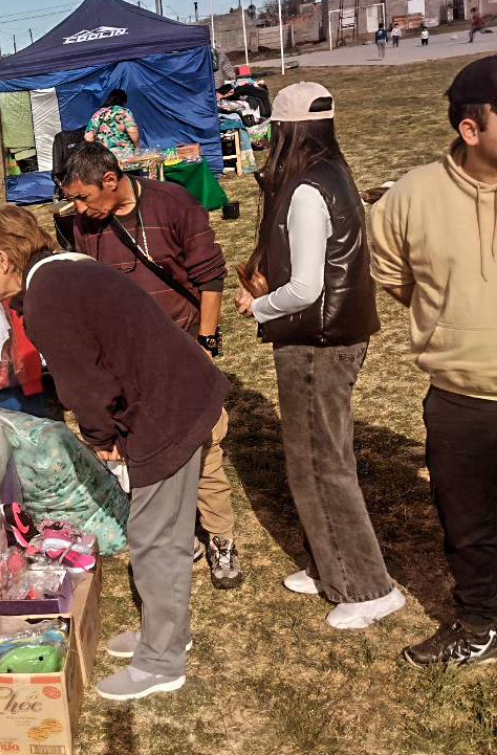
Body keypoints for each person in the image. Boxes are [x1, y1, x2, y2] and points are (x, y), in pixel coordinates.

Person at [0, 204, 230, 701]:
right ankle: (167, 634)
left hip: (165, 408)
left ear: (2, 259)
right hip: (178, 392)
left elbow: (85, 383)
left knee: (154, 537)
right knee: (160, 532)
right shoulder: (63, 267)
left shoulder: (45, 298)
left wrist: (101, 436)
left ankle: (162, 660)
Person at [235, 82, 405, 630]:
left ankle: (368, 586)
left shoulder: (307, 190)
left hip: (318, 345)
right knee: (309, 461)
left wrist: (259, 305)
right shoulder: (335, 174)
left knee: (323, 465)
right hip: (330, 339)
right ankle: (328, 564)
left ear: (285, 132)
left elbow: (306, 288)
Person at [57, 142, 244, 591]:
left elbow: (210, 276)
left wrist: (206, 344)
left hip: (182, 347)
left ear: (109, 180)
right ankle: (179, 534)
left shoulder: (172, 204)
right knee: (144, 451)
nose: (78, 208)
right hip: (127, 359)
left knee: (202, 446)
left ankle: (220, 538)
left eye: (83, 197)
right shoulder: (85, 225)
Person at [368, 56, 497, 666]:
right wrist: (451, 319)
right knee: (468, 527)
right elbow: (391, 270)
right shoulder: (411, 196)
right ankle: (481, 624)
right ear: (471, 128)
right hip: (461, 398)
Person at [84, 89, 140, 159]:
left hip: (104, 158)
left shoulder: (99, 113)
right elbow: (133, 132)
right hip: (124, 157)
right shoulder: (123, 112)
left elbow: (88, 137)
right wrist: (137, 147)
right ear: (124, 102)